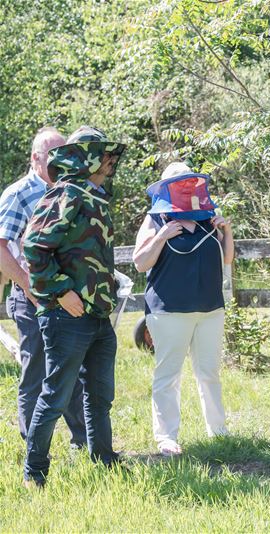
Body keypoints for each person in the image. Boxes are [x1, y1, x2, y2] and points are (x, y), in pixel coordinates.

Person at [22, 126, 126, 487]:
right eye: (106, 154)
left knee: (99, 397)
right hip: (65, 316)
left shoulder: (94, 196)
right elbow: (33, 246)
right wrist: (60, 290)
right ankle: (34, 474)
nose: (112, 161)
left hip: (97, 316)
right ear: (88, 157)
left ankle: (104, 461)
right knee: (54, 397)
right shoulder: (66, 193)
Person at [132, 162, 233, 456]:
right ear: (167, 188)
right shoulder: (155, 219)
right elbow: (140, 263)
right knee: (169, 375)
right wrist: (162, 235)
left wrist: (227, 230)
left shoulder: (207, 218)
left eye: (188, 183)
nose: (185, 188)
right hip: (169, 311)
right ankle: (166, 437)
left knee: (209, 372)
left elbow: (227, 259)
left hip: (210, 309)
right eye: (178, 184)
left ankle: (219, 432)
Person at [0, 127, 87, 449]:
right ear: (36, 158)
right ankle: (35, 447)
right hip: (31, 298)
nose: (61, 160)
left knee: (74, 371)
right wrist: (29, 288)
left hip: (68, 297)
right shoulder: (19, 193)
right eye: (53, 154)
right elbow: (1, 246)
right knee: (37, 372)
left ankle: (84, 441)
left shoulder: (70, 191)